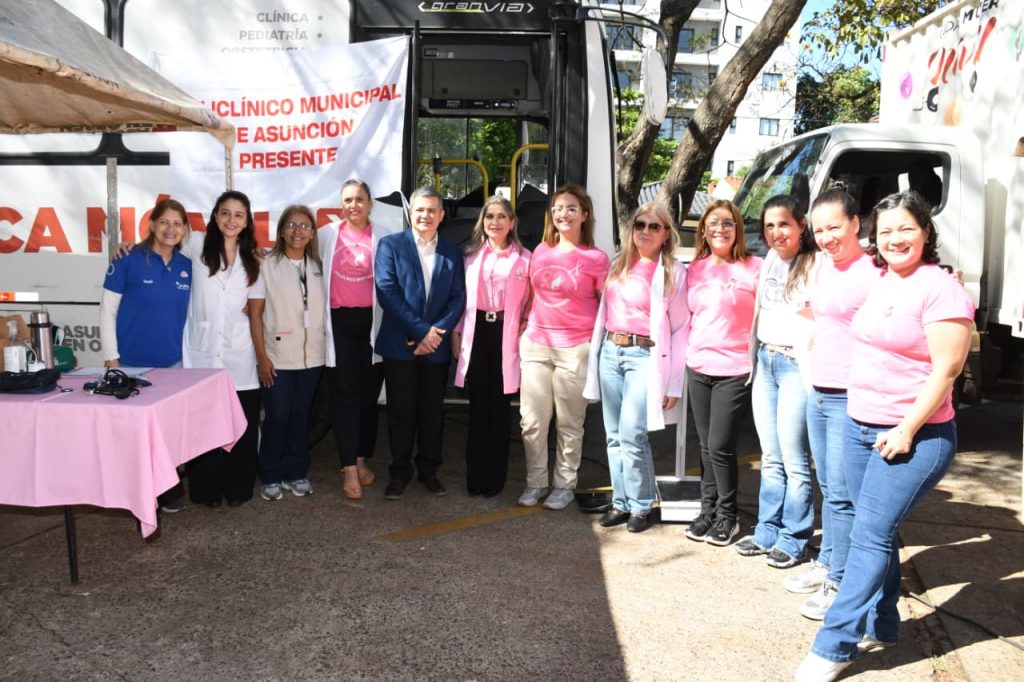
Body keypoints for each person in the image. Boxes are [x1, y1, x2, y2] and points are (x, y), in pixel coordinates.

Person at [796, 191, 973, 681]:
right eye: (887, 230)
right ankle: (884, 623)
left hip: (914, 434)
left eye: (906, 228)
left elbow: (948, 370)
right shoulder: (881, 279)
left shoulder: (941, 289)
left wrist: (907, 428)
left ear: (926, 232)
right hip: (859, 424)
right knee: (877, 530)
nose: (896, 239)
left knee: (869, 535)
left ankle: (834, 644)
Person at [786, 186, 881, 620]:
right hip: (819, 389)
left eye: (835, 228)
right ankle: (827, 561)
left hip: (849, 395)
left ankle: (839, 581)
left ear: (856, 224)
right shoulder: (825, 267)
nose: (826, 238)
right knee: (828, 485)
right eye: (820, 230)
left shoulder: (875, 271)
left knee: (842, 494)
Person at [582, 202, 688, 532]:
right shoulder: (619, 263)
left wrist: (674, 383)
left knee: (632, 433)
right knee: (613, 435)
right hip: (610, 352)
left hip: (645, 356)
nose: (645, 231)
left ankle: (641, 505)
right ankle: (621, 502)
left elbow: (680, 329)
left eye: (654, 226)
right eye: (640, 224)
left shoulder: (673, 271)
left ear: (666, 234)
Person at [734, 195, 817, 568]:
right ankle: (767, 531)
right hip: (765, 362)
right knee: (770, 457)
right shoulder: (769, 259)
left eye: (784, 224)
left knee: (794, 459)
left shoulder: (816, 264)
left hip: (795, 365)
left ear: (802, 225)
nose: (776, 232)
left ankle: (794, 537)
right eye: (769, 225)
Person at [518, 185, 610, 510]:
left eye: (571, 208)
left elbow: (605, 305)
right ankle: (536, 482)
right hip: (536, 345)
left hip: (575, 348)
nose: (563, 214)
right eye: (558, 208)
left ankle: (564, 485)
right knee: (532, 422)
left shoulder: (597, 259)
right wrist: (522, 327)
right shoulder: (541, 251)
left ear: (584, 215)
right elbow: (531, 295)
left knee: (570, 423)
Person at [100, 197, 192, 513]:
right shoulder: (127, 258)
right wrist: (111, 359)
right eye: (164, 221)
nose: (170, 229)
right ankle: (135, 496)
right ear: (152, 224)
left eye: (177, 223)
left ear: (185, 230)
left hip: (173, 364)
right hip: (130, 364)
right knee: (133, 436)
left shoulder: (186, 265)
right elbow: (107, 311)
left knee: (167, 431)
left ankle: (165, 491)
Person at [374, 187, 466, 500]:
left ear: (441, 215)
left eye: (431, 210)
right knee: (400, 413)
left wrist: (434, 334)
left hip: (435, 348)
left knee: (432, 413)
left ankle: (429, 472)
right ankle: (399, 473)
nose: (425, 215)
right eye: (419, 210)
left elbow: (458, 298)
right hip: (399, 345)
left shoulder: (452, 252)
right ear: (410, 213)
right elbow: (387, 291)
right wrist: (421, 331)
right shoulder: (390, 245)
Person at [683, 200, 762, 546]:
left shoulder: (755, 267)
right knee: (705, 446)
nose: (720, 229)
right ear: (703, 230)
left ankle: (728, 517)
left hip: (735, 369)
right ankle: (708, 512)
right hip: (699, 365)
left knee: (720, 445)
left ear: (738, 229)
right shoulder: (695, 269)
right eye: (713, 223)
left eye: (728, 223)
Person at [182, 190, 262, 508]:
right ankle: (206, 492)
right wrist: (125, 247)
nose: (231, 220)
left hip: (239, 355)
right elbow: (162, 237)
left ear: (246, 221)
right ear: (215, 216)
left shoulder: (253, 259)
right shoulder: (197, 244)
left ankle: (238, 489)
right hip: (201, 355)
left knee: (240, 426)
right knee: (203, 427)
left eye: (238, 215)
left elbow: (255, 310)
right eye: (225, 213)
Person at [452, 196, 532, 497]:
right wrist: (456, 334)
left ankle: (495, 479)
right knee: (477, 409)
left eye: (501, 216)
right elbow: (461, 299)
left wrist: (525, 326)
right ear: (482, 222)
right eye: (489, 217)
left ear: (512, 222)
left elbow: (533, 299)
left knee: (499, 410)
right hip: (476, 333)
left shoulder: (525, 258)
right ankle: (475, 477)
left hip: (506, 335)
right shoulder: (470, 256)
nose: (495, 222)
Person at [318, 179, 390, 500]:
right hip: (339, 325)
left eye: (360, 199)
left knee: (368, 397)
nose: (353, 205)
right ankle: (348, 467)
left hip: (373, 325)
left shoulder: (384, 235)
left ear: (370, 203)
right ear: (341, 204)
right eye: (348, 200)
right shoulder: (326, 235)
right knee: (345, 395)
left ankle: (361, 459)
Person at [248, 206, 324, 501]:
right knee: (278, 416)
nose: (297, 231)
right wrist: (262, 357)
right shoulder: (266, 264)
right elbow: (255, 314)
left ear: (312, 233)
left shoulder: (318, 265)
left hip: (312, 357)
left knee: (300, 417)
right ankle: (270, 475)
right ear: (281, 231)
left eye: (304, 226)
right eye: (291, 225)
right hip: (277, 356)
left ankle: (296, 473)